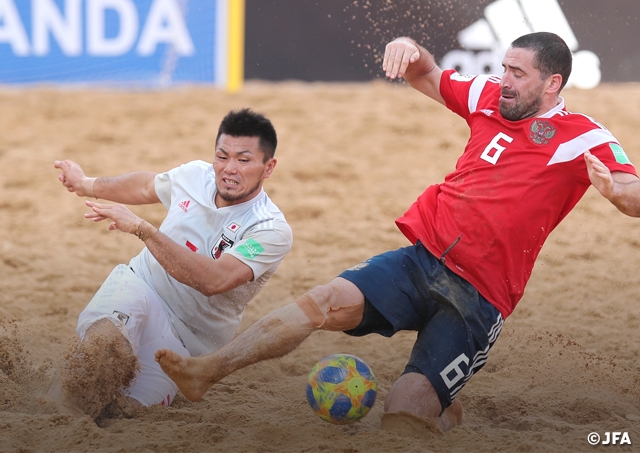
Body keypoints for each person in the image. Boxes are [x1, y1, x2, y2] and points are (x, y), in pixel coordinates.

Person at [154, 32, 640, 432]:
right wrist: (408, 48)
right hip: (422, 259)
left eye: (518, 73)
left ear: (552, 82)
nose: (503, 81)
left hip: (480, 298)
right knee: (322, 300)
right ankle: (206, 371)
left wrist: (619, 195)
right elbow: (426, 73)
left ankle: (440, 412)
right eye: (503, 68)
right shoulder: (488, 98)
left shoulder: (584, 136)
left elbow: (632, 192)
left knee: (402, 419)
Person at [52, 108, 293, 419]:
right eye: (222, 156)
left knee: (126, 414)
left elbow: (213, 281)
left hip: (186, 344)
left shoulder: (271, 229)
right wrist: (85, 184)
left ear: (268, 167)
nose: (229, 168)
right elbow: (145, 186)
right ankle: (47, 418)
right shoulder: (195, 175)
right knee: (102, 349)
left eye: (243, 160)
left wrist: (142, 228)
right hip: (141, 287)